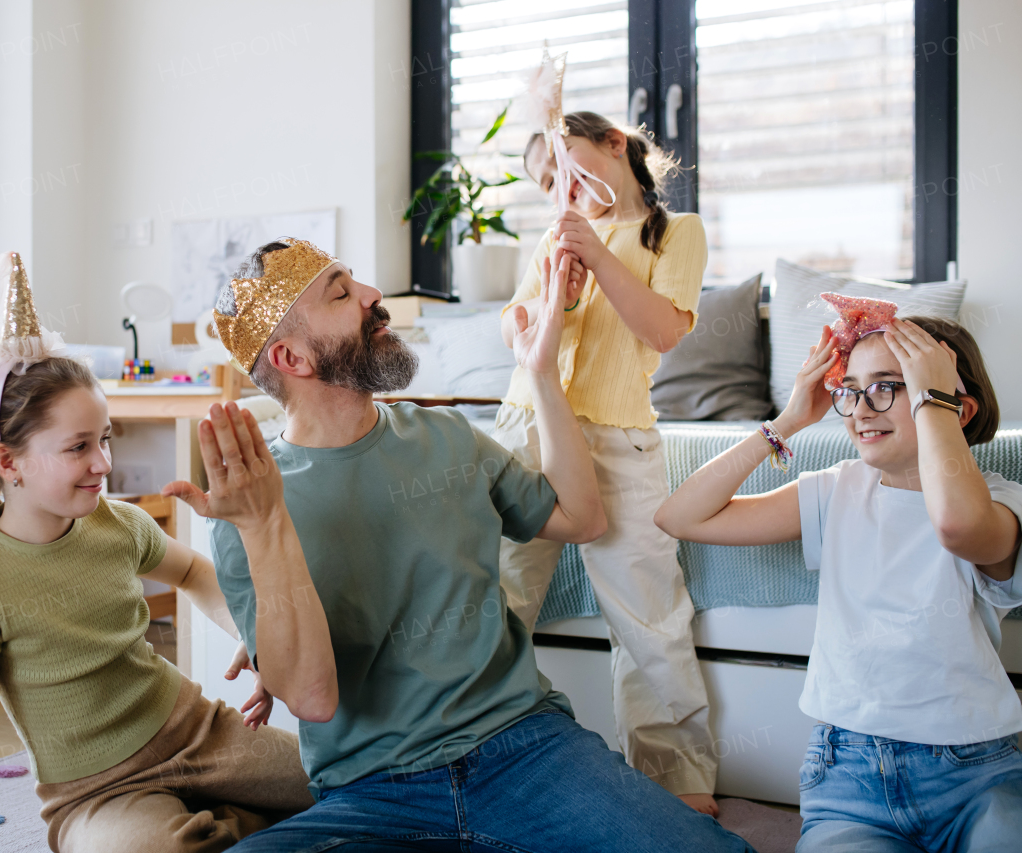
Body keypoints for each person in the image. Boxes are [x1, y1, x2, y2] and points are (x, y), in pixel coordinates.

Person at [170, 237, 753, 851]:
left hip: (525, 750)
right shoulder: (250, 501)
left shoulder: (448, 437)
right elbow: (312, 697)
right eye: (342, 293)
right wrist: (264, 527)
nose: (374, 297)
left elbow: (581, 519)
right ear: (292, 358)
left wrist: (540, 372)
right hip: (372, 792)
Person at [0, 252, 322, 853]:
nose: (104, 464)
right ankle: (217, 823)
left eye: (105, 440)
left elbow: (190, 570)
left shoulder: (116, 525)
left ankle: (217, 814)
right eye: (79, 447)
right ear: (8, 463)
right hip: (95, 793)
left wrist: (248, 630)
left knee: (342, 782)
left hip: (199, 731)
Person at [654, 311, 1022, 852]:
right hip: (849, 777)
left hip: (977, 773)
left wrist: (935, 402)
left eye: (889, 388)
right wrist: (785, 423)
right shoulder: (838, 489)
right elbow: (680, 517)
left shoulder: (1000, 501)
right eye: (849, 391)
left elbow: (958, 526)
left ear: (955, 407)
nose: (860, 410)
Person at [495, 109, 718, 812]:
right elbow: (516, 325)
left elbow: (661, 328)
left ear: (614, 143)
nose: (562, 189)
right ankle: (475, 749)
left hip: (618, 436)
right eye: (548, 182)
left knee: (647, 609)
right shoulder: (556, 238)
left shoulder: (675, 232)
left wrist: (596, 253)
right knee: (498, 591)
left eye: (569, 168)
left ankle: (674, 774)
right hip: (530, 425)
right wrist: (541, 309)